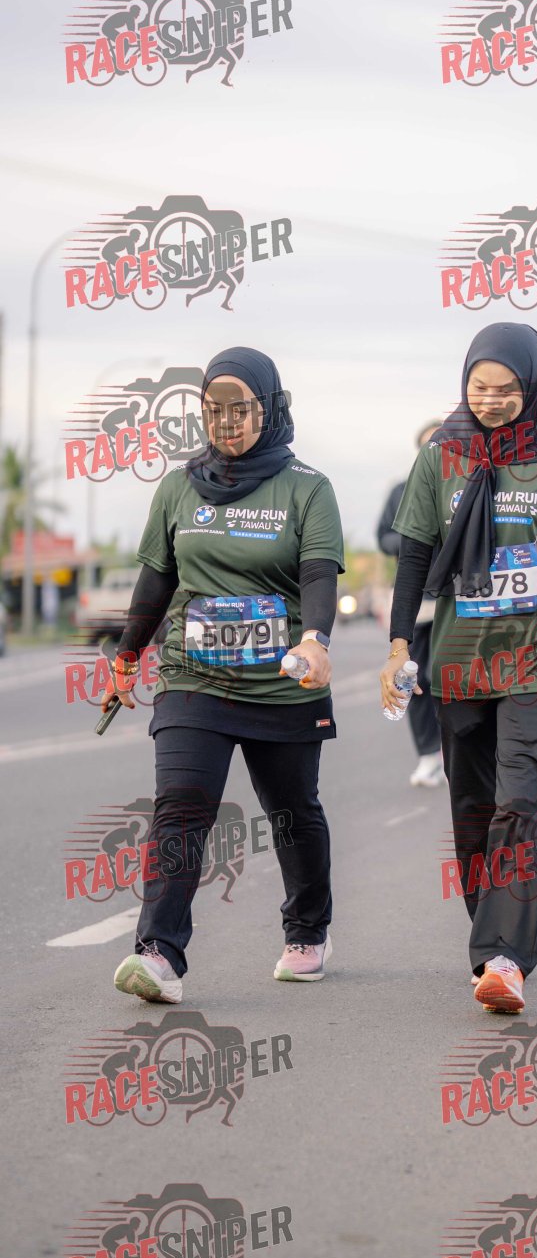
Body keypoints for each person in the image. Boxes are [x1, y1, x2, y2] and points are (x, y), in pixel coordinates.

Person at [379, 322, 537, 1015]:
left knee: (522, 799)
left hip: (536, 658)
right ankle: (492, 933)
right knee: (472, 808)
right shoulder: (441, 457)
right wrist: (401, 645)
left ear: (532, 387)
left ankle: (504, 957)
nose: (491, 401)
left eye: (506, 390)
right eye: (479, 388)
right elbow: (413, 554)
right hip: (459, 661)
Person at [102, 346, 345, 1002]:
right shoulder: (179, 488)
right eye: (213, 409)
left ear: (269, 408)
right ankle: (159, 952)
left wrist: (316, 639)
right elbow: (156, 581)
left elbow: (319, 574)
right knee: (181, 802)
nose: (226, 422)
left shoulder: (307, 488)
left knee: (293, 812)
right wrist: (126, 657)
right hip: (194, 677)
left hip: (281, 682)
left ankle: (308, 929)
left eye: (240, 409)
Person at [377, 422, 444, 787]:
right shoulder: (402, 491)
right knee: (415, 679)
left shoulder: (466, 485)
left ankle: (455, 750)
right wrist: (414, 542)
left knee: (447, 677)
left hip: (457, 600)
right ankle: (428, 755)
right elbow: (383, 536)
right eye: (428, 444)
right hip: (417, 599)